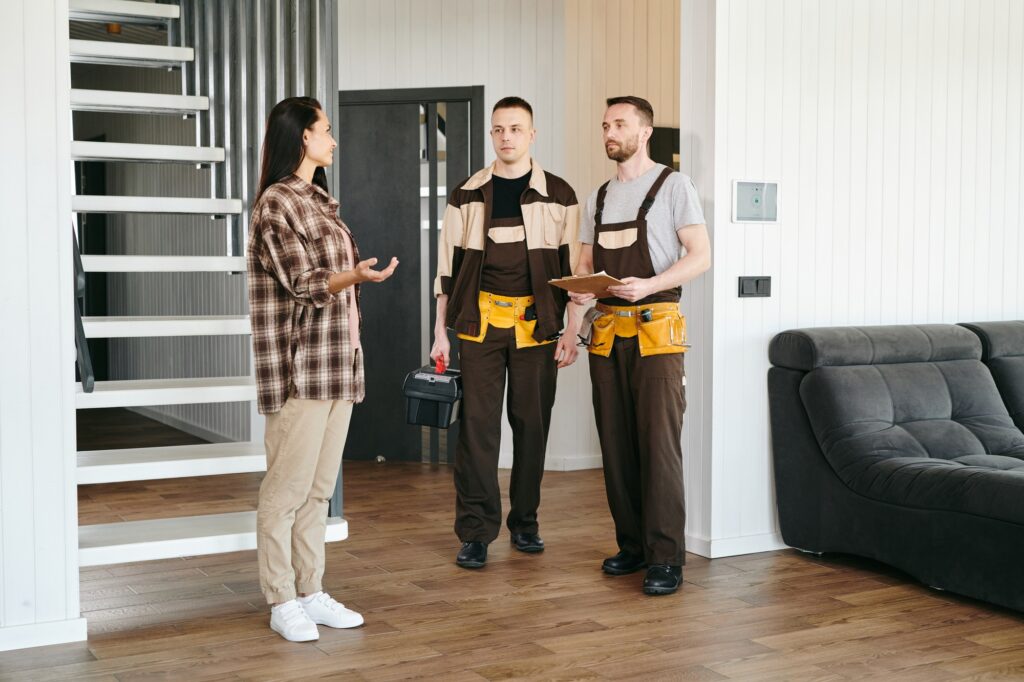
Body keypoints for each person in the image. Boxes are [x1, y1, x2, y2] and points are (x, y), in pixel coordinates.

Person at [246, 96, 399, 641]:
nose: (333, 140)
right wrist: (355, 276)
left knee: (317, 491)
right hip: (301, 370)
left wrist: (353, 280)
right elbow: (306, 283)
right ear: (303, 138)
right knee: (285, 491)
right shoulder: (277, 204)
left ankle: (310, 590)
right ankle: (280, 597)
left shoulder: (319, 201)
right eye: (326, 131)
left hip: (339, 365)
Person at [430, 96, 581, 569]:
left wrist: (572, 331)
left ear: (532, 135)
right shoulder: (466, 193)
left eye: (516, 129)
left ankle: (526, 523)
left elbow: (572, 272)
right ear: (491, 135)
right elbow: (447, 272)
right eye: (498, 130)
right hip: (478, 326)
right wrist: (440, 333)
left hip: (538, 329)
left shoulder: (560, 194)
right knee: (476, 431)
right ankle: (475, 533)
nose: (506, 137)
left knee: (532, 427)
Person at [570, 96, 711, 596]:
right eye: (605, 123)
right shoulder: (598, 198)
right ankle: (631, 546)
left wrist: (648, 286)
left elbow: (701, 255)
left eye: (620, 124)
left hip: (657, 328)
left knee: (658, 447)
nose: (609, 131)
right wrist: (571, 331)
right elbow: (585, 271)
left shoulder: (675, 187)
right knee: (616, 444)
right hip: (607, 333)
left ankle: (666, 558)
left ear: (644, 132)